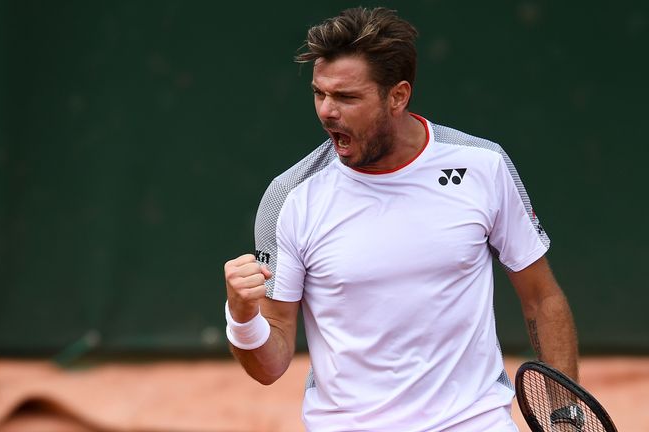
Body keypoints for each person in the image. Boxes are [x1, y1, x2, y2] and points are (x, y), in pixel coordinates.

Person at [223, 7, 578, 431]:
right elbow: (270, 365)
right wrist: (242, 318)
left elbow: (542, 297)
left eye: (347, 97)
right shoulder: (289, 197)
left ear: (398, 96)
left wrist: (566, 416)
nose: (327, 112)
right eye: (320, 94)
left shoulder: (483, 166)